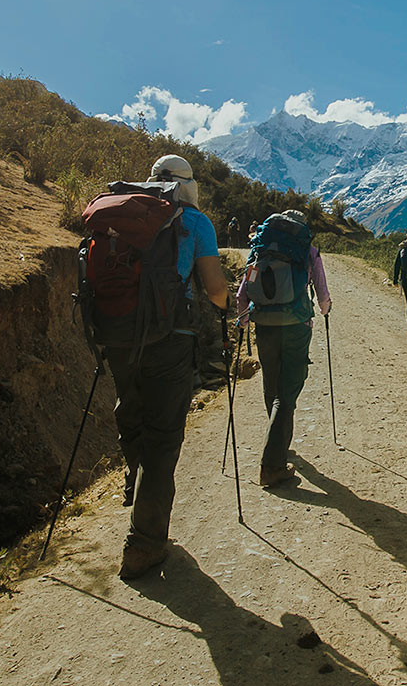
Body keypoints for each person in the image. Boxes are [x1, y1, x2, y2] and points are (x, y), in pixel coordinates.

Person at [106, 154, 228, 579]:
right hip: (169, 338)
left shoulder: (124, 214)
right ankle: (145, 543)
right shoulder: (193, 221)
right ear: (188, 185)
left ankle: (134, 481)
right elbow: (215, 290)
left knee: (131, 410)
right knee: (163, 437)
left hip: (118, 335)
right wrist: (226, 301)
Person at [236, 209, 331, 487]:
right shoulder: (307, 250)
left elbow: (244, 291)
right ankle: (272, 464)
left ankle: (278, 442)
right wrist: (325, 309)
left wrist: (243, 321)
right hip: (296, 325)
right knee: (288, 391)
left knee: (272, 384)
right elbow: (322, 293)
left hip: (264, 324)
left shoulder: (259, 251)